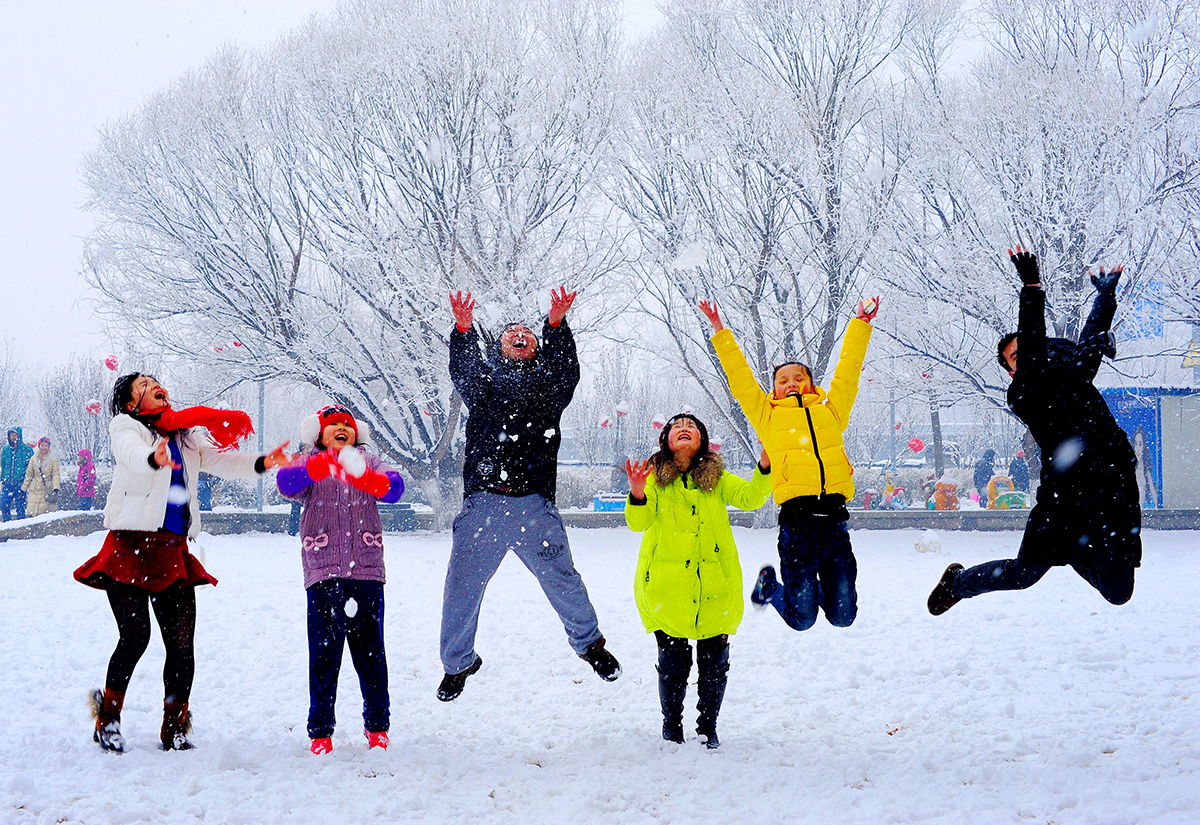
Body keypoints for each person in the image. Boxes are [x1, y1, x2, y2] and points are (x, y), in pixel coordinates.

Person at [74, 373, 289, 752]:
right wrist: (151, 457)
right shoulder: (127, 426)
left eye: (155, 380)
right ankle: (107, 719)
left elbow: (224, 462)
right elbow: (128, 452)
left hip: (172, 552)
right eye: (142, 384)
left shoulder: (187, 437)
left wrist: (263, 462)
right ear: (130, 403)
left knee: (181, 645)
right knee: (135, 637)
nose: (154, 384)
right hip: (129, 547)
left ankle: (174, 727)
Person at [928, 248, 1140, 615]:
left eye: (1026, 348)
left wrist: (1105, 297)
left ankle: (1074, 551)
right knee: (1023, 575)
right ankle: (958, 583)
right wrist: (1031, 286)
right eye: (1014, 356)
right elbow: (1035, 346)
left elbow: (1088, 339)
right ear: (1012, 370)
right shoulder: (1023, 392)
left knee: (1119, 592)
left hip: (1111, 492)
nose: (1023, 354)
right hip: (1065, 500)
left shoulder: (1074, 372)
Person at [438, 286, 620, 701]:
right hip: (483, 504)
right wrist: (463, 330)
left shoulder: (548, 390)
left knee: (563, 580)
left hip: (534, 506)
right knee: (462, 585)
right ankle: (457, 662)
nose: (519, 336)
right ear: (498, 346)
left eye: (528, 334)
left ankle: (591, 646)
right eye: (509, 333)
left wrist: (555, 324)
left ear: (536, 347)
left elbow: (566, 371)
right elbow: (464, 371)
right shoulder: (483, 388)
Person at [699, 295, 878, 633]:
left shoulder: (831, 412)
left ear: (810, 384)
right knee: (803, 619)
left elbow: (848, 374)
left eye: (799, 377)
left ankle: (813, 592)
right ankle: (772, 588)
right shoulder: (767, 417)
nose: (792, 382)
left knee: (843, 616)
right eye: (783, 379)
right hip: (797, 527)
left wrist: (861, 325)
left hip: (835, 523)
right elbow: (740, 380)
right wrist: (719, 329)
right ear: (775, 390)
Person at [624, 414, 771, 748]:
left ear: (702, 440)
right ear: (666, 440)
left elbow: (751, 498)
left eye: (692, 424)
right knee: (673, 663)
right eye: (677, 425)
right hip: (667, 586)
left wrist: (764, 468)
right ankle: (671, 726)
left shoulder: (717, 478)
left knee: (715, 663)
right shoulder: (654, 479)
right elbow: (639, 523)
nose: (685, 427)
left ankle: (708, 727)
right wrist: (636, 493)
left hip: (715, 584)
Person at [277, 406, 405, 755]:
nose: (340, 429)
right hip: (323, 570)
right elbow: (286, 484)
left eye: (346, 425)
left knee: (371, 653)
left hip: (366, 569)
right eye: (331, 425)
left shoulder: (370, 461)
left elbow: (394, 489)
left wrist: (364, 475)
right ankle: (320, 730)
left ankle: (377, 725)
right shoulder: (309, 462)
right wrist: (317, 466)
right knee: (323, 653)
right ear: (318, 435)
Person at [22, 437, 61, 516]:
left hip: (46, 487)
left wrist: (56, 487)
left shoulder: (53, 459)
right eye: (42, 445)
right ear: (39, 446)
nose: (44, 447)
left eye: (46, 445)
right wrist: (24, 488)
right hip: (34, 488)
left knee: (43, 512)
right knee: (32, 510)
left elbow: (55, 474)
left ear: (49, 447)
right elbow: (29, 474)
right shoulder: (33, 459)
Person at [1, 427, 33, 521]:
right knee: (3, 504)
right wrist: (3, 480)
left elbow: (30, 467)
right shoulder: (6, 450)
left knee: (20, 506)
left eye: (15, 435)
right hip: (8, 482)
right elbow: (3, 465)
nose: (13, 437)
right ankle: (8, 525)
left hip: (21, 482)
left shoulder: (26, 450)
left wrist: (26, 480)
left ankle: (21, 528)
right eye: (11, 435)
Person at [1132, 425, 1158, 509]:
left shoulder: (1145, 467)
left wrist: (1156, 504)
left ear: (1144, 446)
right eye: (1136, 444)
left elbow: (1151, 485)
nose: (1138, 448)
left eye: (1140, 444)